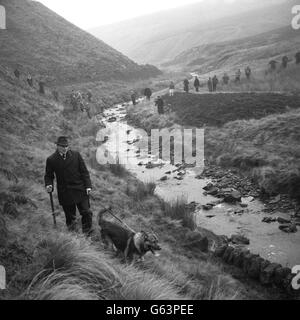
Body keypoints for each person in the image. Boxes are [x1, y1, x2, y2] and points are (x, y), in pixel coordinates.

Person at [44, 136, 93, 235]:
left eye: (66, 146)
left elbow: (84, 172)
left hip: (80, 189)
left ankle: (87, 235)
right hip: (65, 192)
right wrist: (49, 185)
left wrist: (88, 186)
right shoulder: (51, 159)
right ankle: (73, 238)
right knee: (70, 218)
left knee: (87, 212)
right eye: (62, 146)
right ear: (57, 146)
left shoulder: (76, 155)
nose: (65, 148)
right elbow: (48, 176)